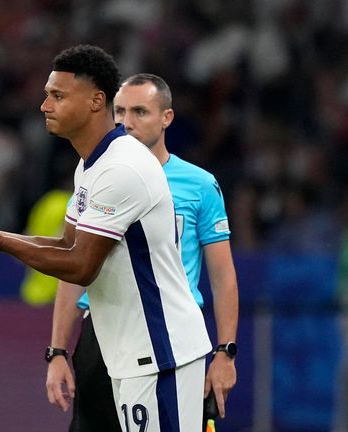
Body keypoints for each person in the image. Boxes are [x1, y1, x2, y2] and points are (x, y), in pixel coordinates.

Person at [0, 45, 212, 430]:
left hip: (161, 353)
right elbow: (65, 245)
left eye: (57, 96)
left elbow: (81, 266)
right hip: (133, 352)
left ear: (96, 101)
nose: (44, 105)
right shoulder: (91, 165)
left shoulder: (122, 168)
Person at [46, 73, 240, 432]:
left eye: (140, 112)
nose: (126, 122)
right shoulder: (95, 175)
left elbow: (222, 274)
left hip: (171, 341)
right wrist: (57, 351)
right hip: (102, 335)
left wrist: (225, 351)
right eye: (119, 111)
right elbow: (73, 266)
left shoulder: (199, 185)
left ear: (166, 118)